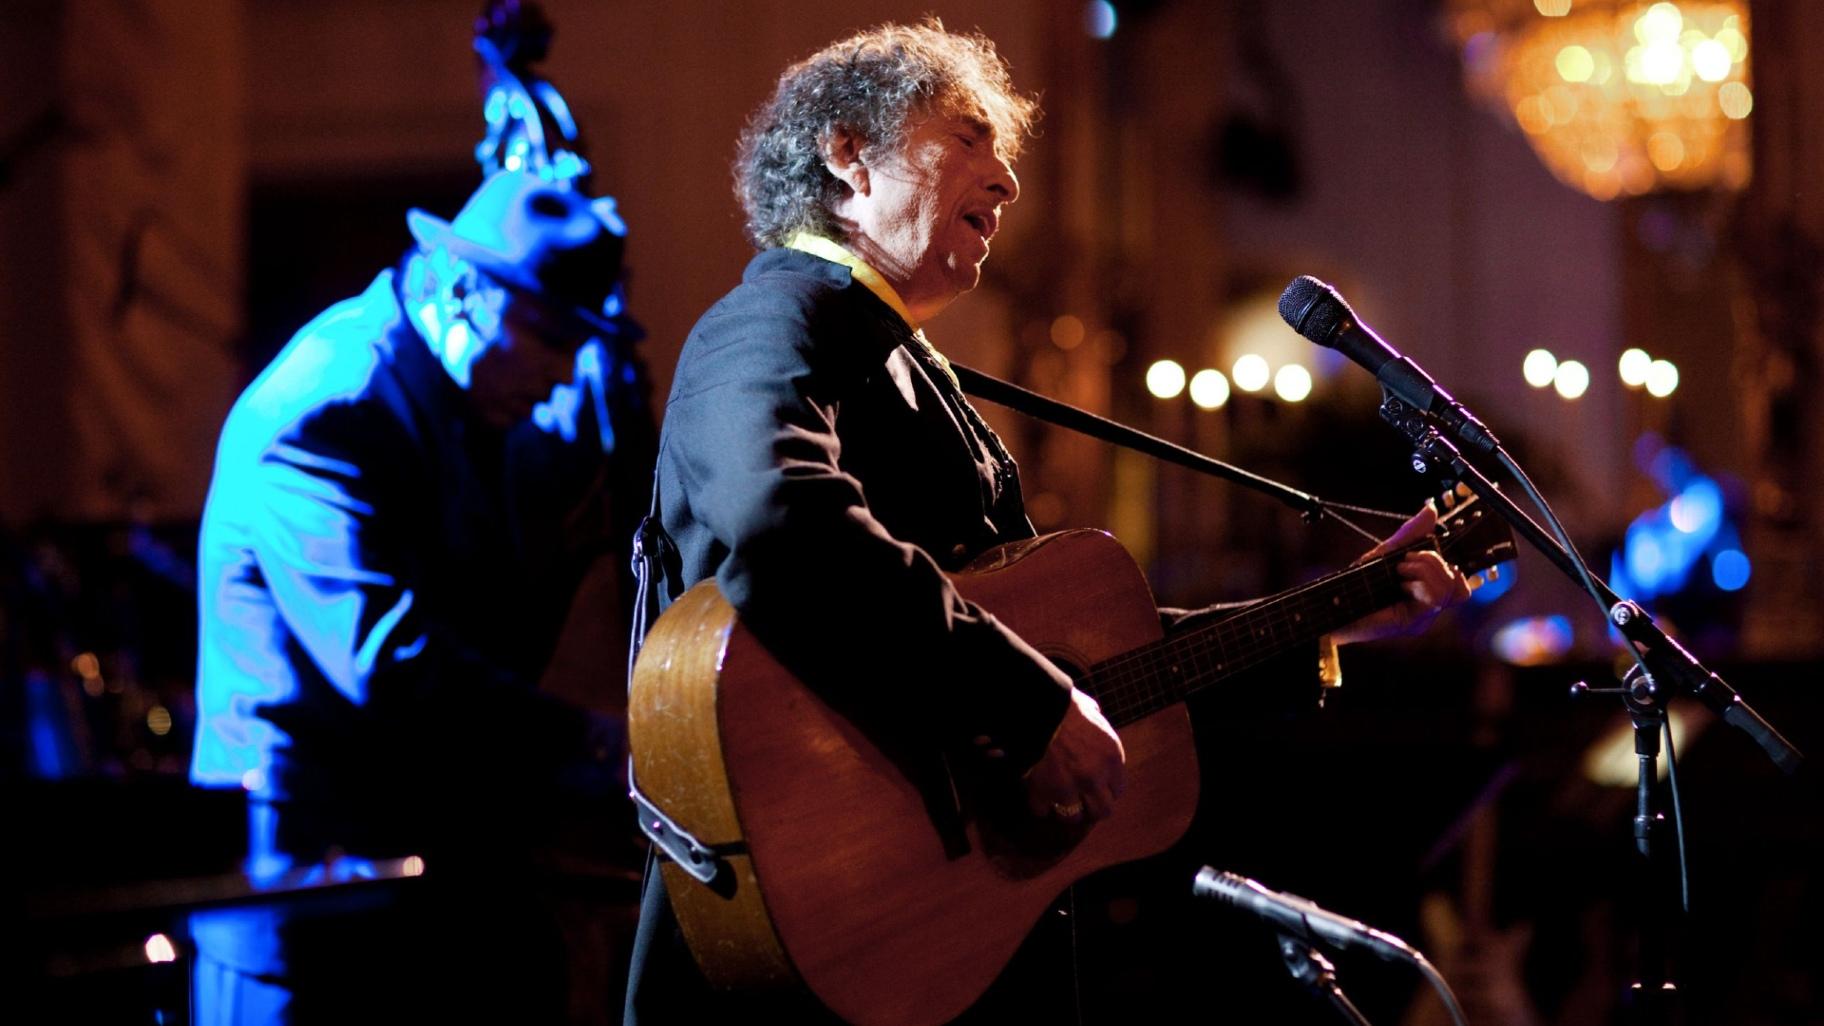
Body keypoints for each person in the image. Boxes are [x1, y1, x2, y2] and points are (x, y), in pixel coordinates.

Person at [622, 20, 1468, 1025]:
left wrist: (1334, 614)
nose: (1009, 184)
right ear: (849, 157)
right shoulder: (777, 321)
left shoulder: (899, 361)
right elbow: (780, 522)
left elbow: (1081, 665)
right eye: (971, 137)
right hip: (809, 941)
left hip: (938, 940)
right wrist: (1025, 707)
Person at [188, 169, 640, 1025]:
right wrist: (590, 741)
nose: (558, 376)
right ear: (458, 286)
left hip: (426, 876)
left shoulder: (464, 397)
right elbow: (382, 660)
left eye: (578, 345)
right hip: (318, 891)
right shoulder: (333, 402)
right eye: (546, 336)